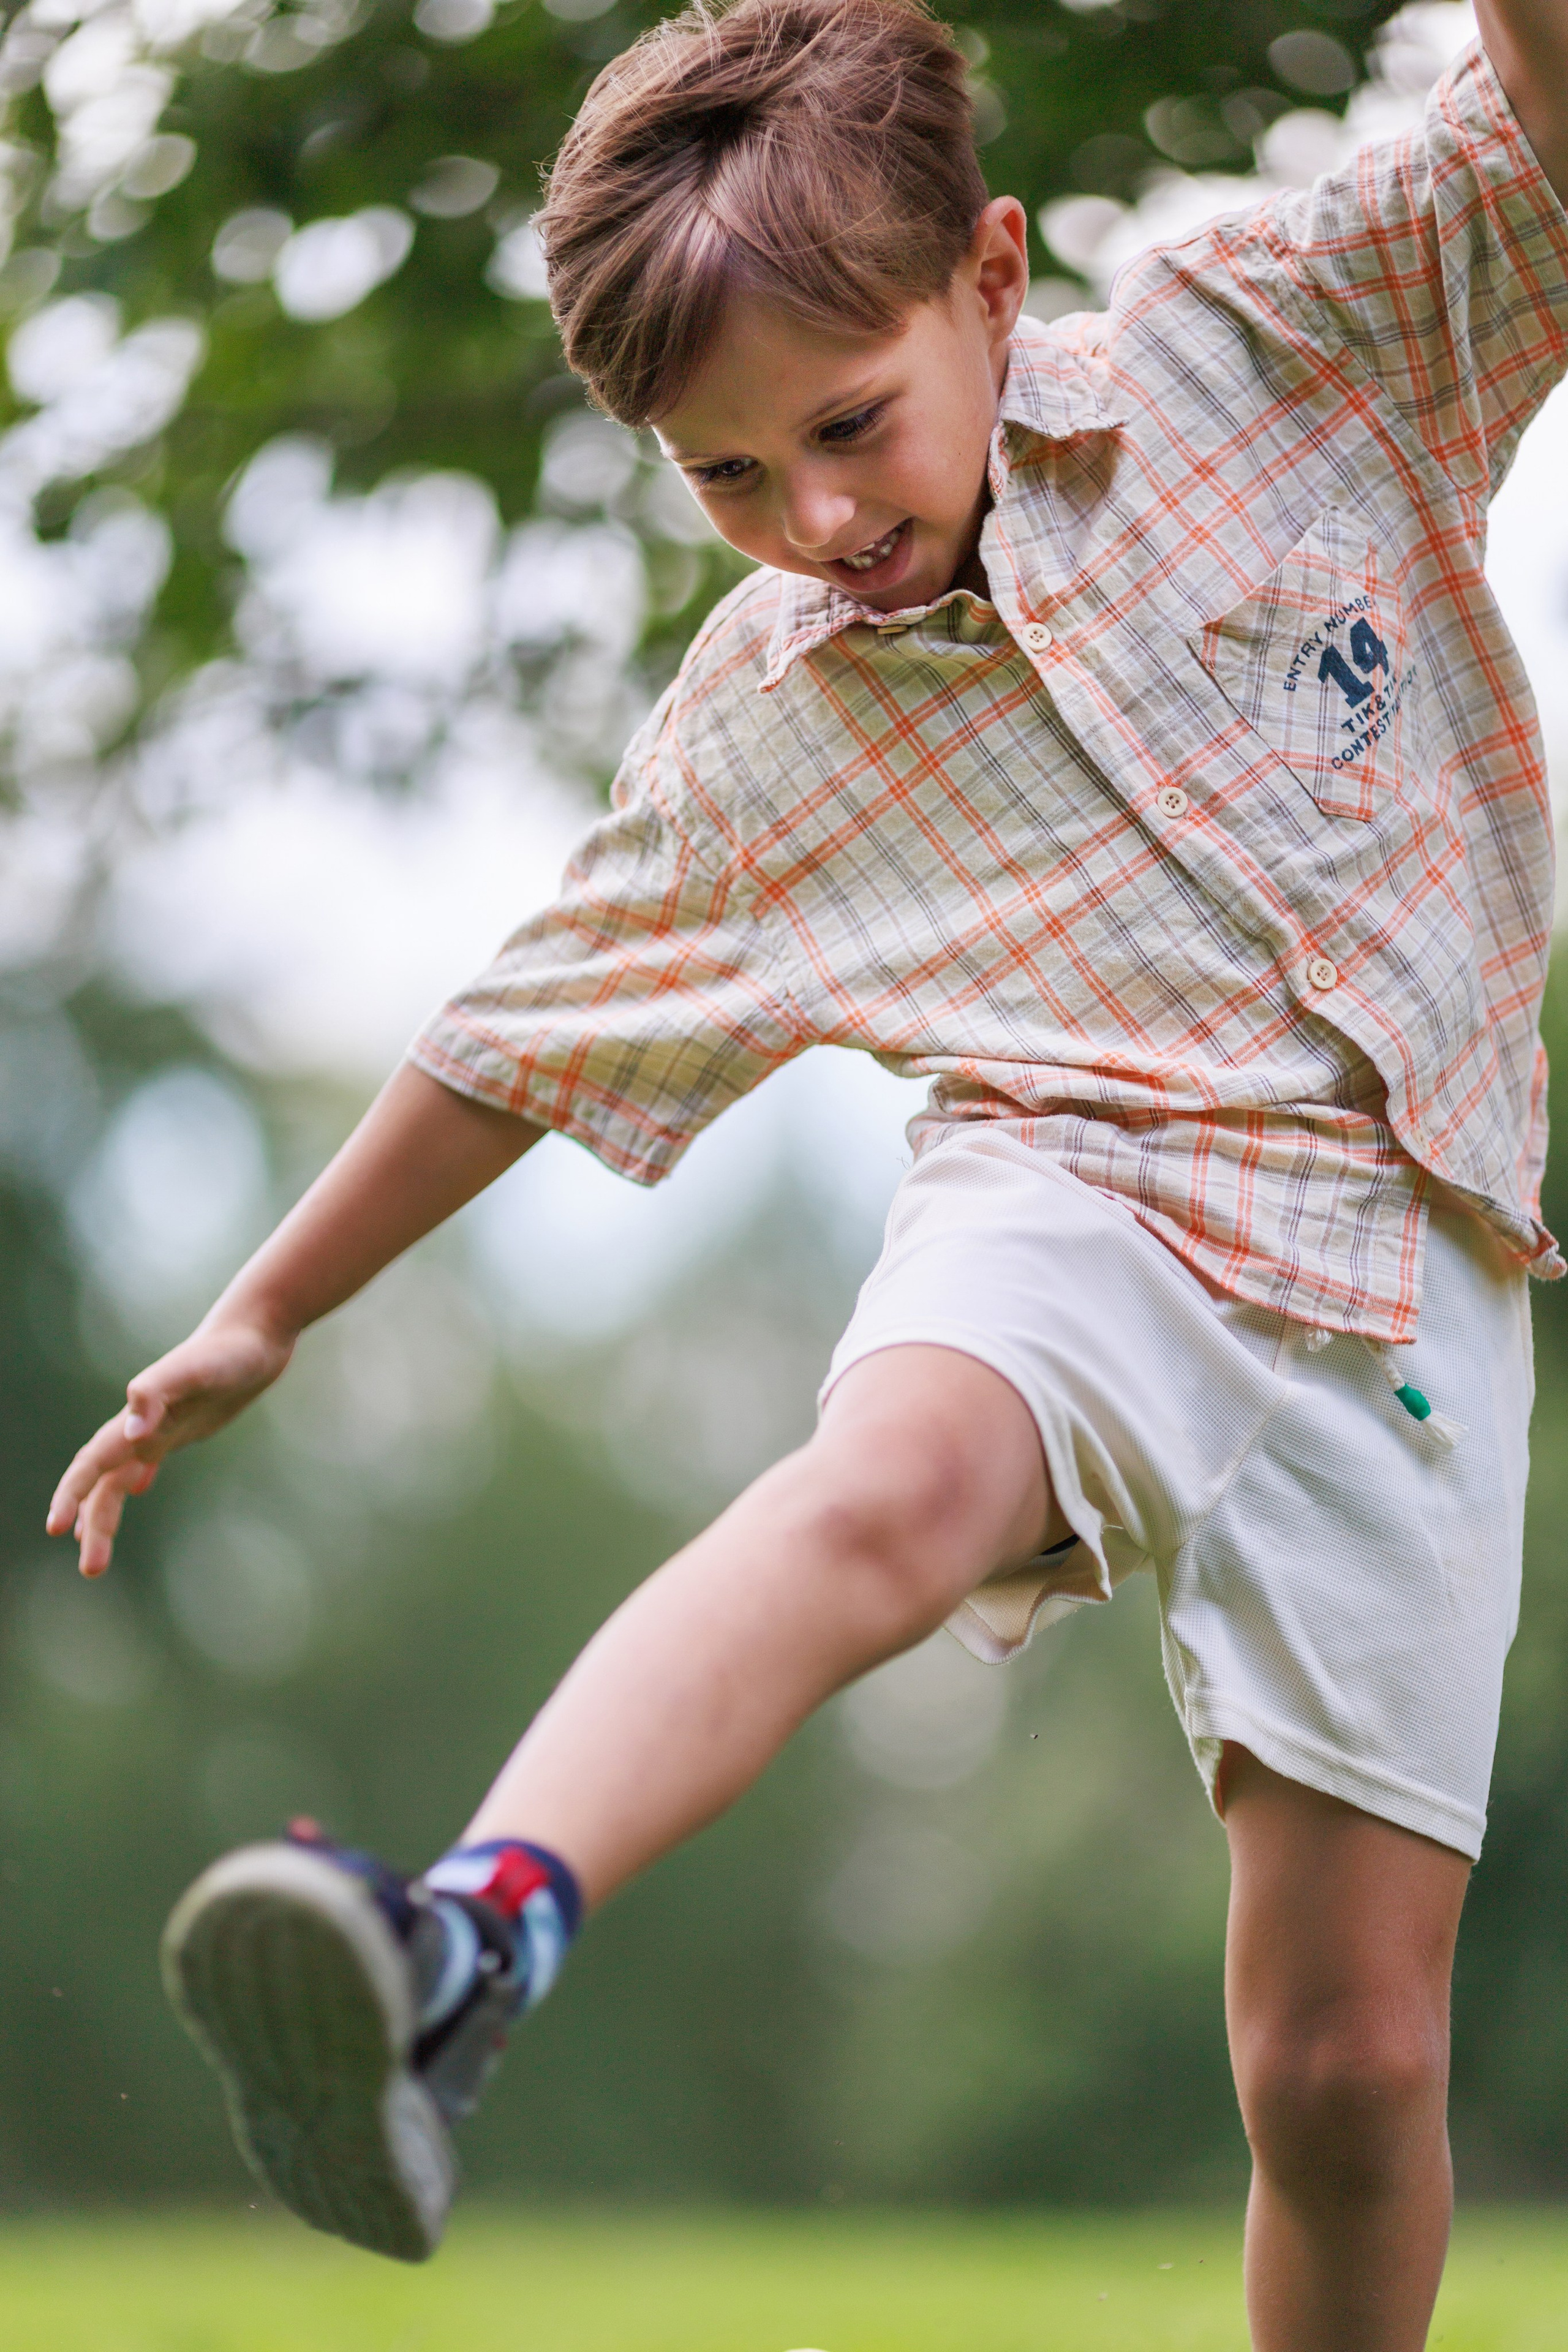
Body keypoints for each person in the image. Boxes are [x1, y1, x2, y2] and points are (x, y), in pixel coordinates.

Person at [47, 0, 1568, 2339]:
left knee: (1349, 2066)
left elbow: (1538, 133)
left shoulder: (1284, 342)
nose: (819, 525)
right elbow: (512, 1033)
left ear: (988, 276)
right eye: (728, 478)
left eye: (845, 429)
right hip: (1072, 1191)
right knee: (888, 1483)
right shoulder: (769, 732)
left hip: (1412, 1278)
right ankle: (467, 1942)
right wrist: (265, 1305)